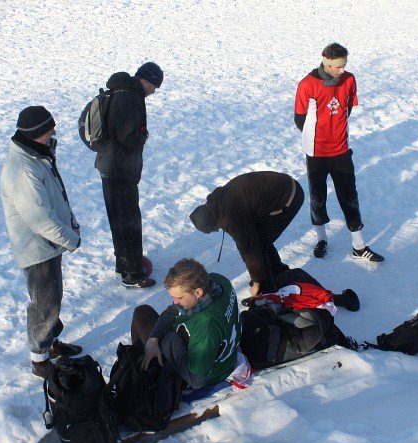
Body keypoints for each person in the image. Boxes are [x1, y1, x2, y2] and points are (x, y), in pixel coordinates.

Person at [0, 106, 84, 378]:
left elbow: (55, 197)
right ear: (35, 133)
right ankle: (40, 359)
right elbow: (40, 220)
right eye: (49, 129)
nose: (54, 132)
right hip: (38, 248)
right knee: (44, 303)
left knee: (51, 298)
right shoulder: (24, 169)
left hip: (48, 244)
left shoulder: (36, 155)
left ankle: (51, 344)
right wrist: (70, 238)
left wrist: (70, 222)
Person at [294, 42, 384, 263]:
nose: (343, 70)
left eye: (344, 65)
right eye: (338, 66)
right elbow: (299, 118)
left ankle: (359, 245)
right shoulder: (307, 84)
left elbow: (347, 109)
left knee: (349, 196)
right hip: (316, 152)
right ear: (327, 64)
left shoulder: (349, 79)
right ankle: (321, 239)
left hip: (341, 150)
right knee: (318, 197)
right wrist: (317, 136)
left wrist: (336, 131)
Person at [95, 62, 164, 288]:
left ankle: (123, 265)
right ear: (146, 80)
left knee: (118, 219)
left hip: (109, 165)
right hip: (121, 169)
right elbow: (128, 136)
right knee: (129, 221)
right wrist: (143, 136)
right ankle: (133, 274)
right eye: (154, 86)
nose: (153, 92)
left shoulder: (119, 92)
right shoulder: (131, 97)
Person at [189, 171, 304, 297]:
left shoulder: (231, 217)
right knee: (259, 238)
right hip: (283, 185)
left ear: (212, 222)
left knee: (259, 243)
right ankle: (278, 274)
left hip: (289, 198)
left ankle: (266, 287)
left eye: (214, 228)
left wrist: (257, 281)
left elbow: (249, 247)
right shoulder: (219, 200)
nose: (217, 230)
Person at [131, 259, 241, 390]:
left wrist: (170, 343)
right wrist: (153, 339)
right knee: (144, 312)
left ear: (198, 293)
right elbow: (173, 311)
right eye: (173, 297)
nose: (175, 302)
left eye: (179, 298)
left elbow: (197, 381)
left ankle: (140, 373)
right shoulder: (218, 281)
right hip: (222, 356)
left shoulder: (205, 325)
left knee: (143, 318)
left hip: (206, 374)